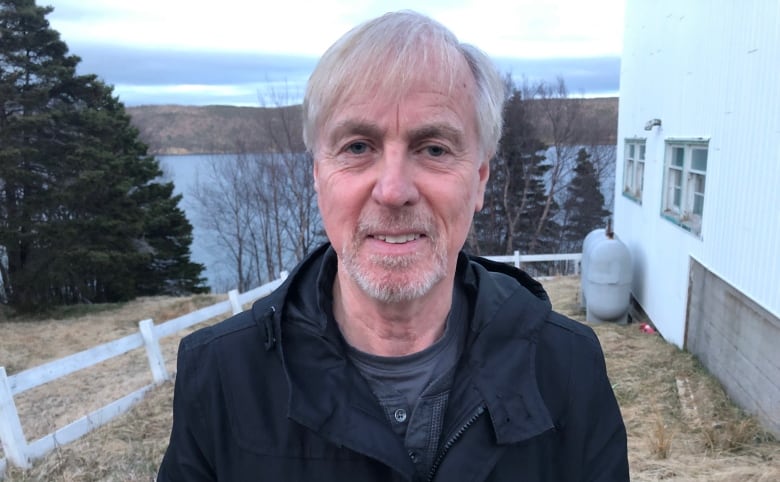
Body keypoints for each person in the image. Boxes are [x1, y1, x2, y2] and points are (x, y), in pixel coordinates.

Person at [157, 10, 629, 481]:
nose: (393, 190)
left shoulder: (567, 368)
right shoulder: (221, 376)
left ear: (480, 178)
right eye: (358, 147)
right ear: (318, 174)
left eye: (434, 148)